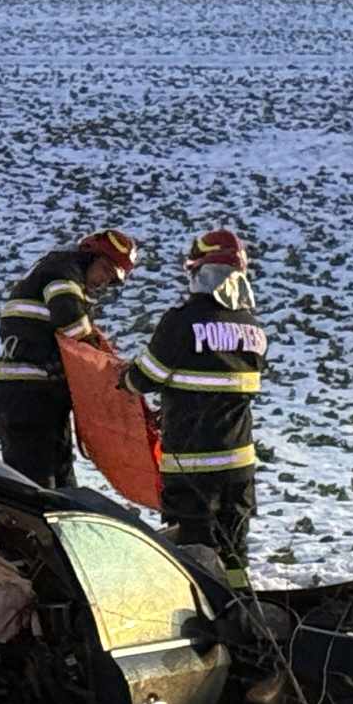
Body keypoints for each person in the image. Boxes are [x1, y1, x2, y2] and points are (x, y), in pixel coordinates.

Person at [122, 229, 267, 591]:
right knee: (234, 545)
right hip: (239, 461)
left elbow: (146, 377)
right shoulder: (252, 327)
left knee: (193, 546)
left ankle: (202, 608)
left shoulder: (182, 321)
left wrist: (122, 378)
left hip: (192, 460)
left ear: (198, 274)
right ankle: (239, 602)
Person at [0, 229, 138, 488]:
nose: (104, 281)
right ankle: (13, 528)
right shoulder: (62, 272)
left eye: (112, 279)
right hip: (26, 396)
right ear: (89, 256)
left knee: (62, 487)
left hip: (41, 398)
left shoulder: (62, 275)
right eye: (105, 269)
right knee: (35, 490)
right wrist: (104, 362)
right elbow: (73, 326)